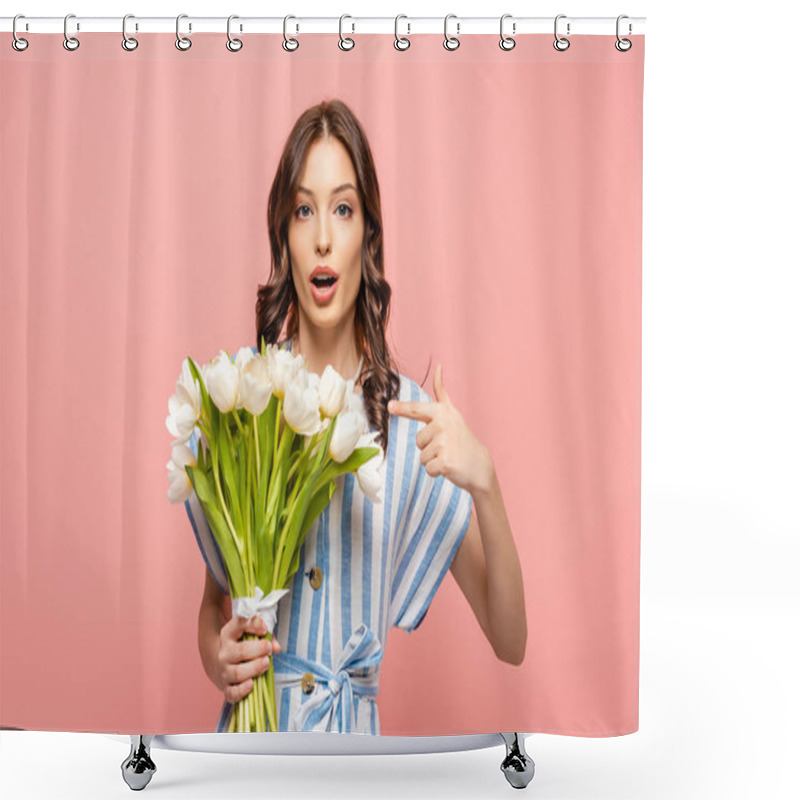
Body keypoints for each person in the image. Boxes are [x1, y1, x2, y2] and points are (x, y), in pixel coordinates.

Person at [187, 99, 527, 734]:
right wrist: (216, 655)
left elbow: (511, 641)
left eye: (342, 209)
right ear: (284, 238)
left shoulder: (405, 420)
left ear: (367, 235)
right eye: (303, 211)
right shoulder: (244, 400)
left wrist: (487, 481)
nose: (322, 237)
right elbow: (213, 605)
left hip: (356, 760)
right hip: (251, 756)